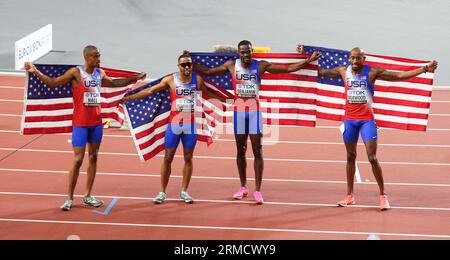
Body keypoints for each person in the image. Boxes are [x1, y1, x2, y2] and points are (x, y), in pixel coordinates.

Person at [298, 45, 438, 210]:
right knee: (350, 156)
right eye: (353, 57)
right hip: (349, 121)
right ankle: (350, 195)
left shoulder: (372, 72)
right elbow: (319, 72)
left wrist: (424, 69)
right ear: (349, 59)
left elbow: (399, 76)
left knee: (372, 158)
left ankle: (383, 195)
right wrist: (305, 56)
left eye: (358, 58)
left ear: (364, 59)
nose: (355, 60)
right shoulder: (343, 71)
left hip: (367, 122)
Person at [190, 40, 320, 204]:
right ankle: (243, 187)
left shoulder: (261, 65)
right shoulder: (232, 65)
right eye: (243, 52)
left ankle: (257, 190)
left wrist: (308, 61)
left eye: (248, 52)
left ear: (252, 52)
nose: (246, 55)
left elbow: (287, 69)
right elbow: (208, 72)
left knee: (257, 150)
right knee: (240, 150)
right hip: (238, 113)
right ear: (239, 53)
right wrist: (190, 61)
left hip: (254, 113)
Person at [25, 45, 146, 211]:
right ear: (87, 57)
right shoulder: (76, 73)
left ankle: (88, 195)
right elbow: (53, 83)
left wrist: (134, 78)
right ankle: (69, 198)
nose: (99, 59)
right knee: (78, 160)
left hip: (96, 123)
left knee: (94, 158)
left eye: (99, 56)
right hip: (80, 124)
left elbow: (114, 83)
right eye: (96, 56)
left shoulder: (99, 73)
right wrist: (35, 71)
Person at [122, 53, 226, 204]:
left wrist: (228, 99)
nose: (186, 67)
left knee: (188, 158)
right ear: (178, 66)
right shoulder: (171, 79)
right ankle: (162, 192)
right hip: (174, 126)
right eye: (183, 65)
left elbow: (209, 95)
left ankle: (184, 191)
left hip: (190, 126)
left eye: (189, 64)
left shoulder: (197, 80)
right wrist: (130, 98)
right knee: (167, 158)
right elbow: (151, 91)